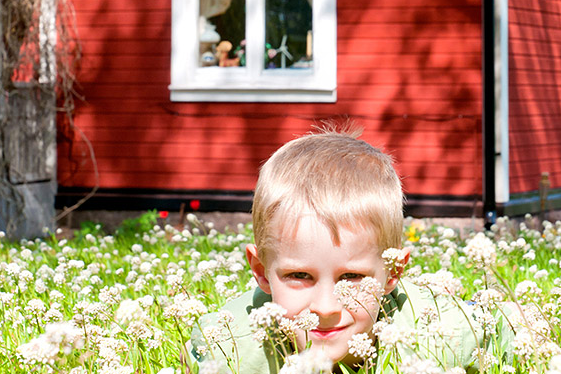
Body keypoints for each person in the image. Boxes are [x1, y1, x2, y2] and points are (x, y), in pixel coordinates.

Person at [188, 126, 513, 373]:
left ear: (393, 272)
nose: (326, 308)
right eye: (299, 275)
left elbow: (507, 328)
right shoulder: (229, 345)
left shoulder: (445, 333)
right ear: (260, 272)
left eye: (353, 277)